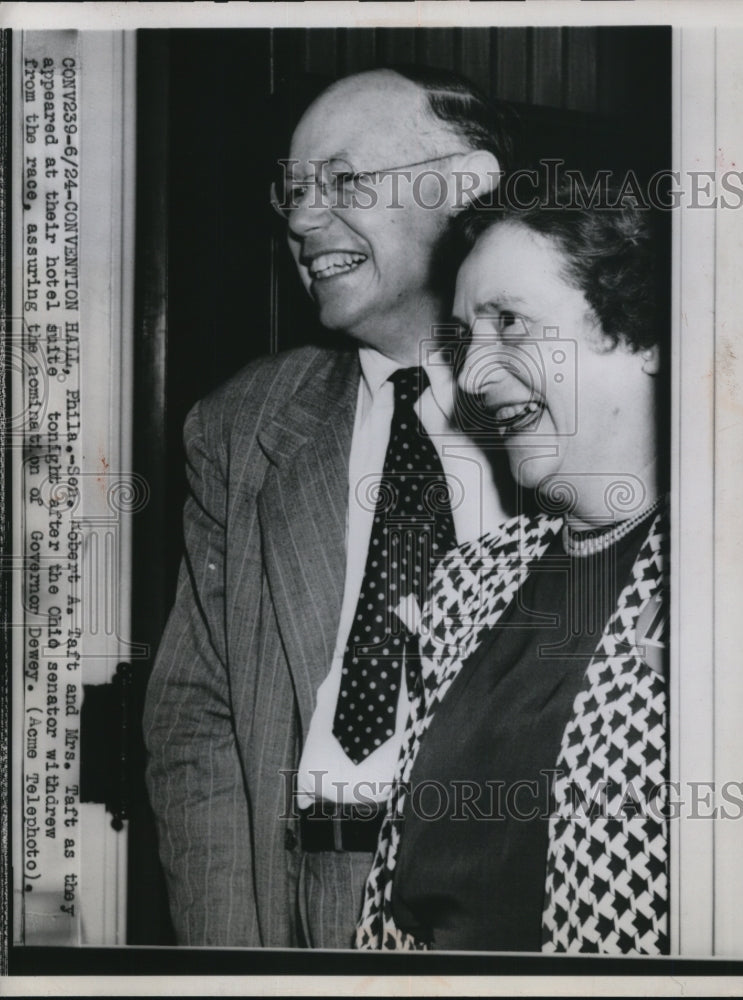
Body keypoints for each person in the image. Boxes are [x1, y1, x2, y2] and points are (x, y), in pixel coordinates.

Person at [143, 65, 515, 948]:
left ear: (466, 186)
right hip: (308, 895)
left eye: (344, 181)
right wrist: (237, 962)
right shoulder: (242, 425)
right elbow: (197, 726)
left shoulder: (583, 409)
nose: (303, 222)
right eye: (294, 190)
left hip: (512, 890)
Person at [356, 184, 670, 953]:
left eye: (511, 324)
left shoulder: (726, 574)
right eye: (468, 340)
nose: (472, 378)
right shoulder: (471, 581)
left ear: (643, 333)